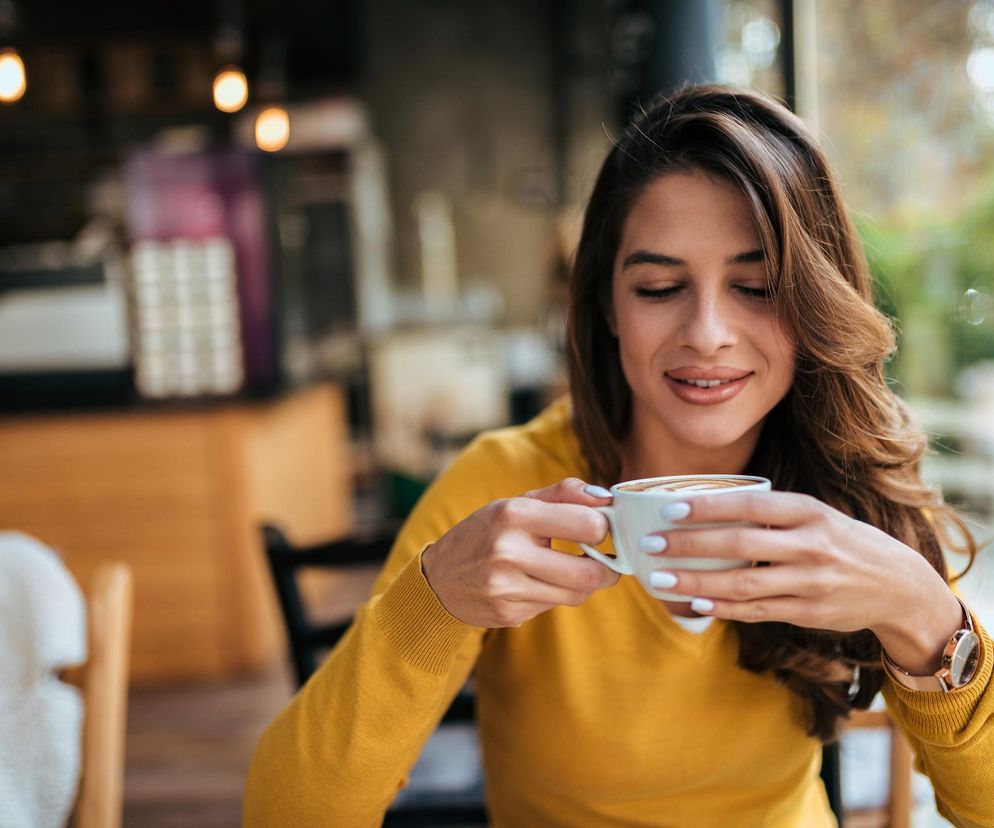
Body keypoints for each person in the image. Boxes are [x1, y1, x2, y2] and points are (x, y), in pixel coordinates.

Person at [244, 85, 993, 827]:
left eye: (757, 286)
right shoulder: (505, 485)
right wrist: (432, 604)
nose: (707, 332)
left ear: (816, 300)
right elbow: (289, 813)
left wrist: (922, 609)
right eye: (661, 286)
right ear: (606, 304)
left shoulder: (850, 480)